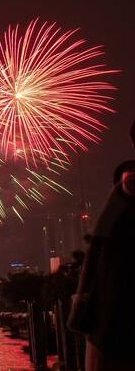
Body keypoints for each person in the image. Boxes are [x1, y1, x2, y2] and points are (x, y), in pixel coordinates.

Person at [70, 120, 135, 370]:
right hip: (113, 317)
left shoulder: (122, 192)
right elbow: (98, 250)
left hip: (111, 319)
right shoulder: (125, 191)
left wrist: (82, 307)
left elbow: (96, 252)